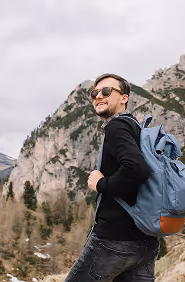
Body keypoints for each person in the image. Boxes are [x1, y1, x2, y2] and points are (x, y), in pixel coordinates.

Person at [64, 73, 160, 282]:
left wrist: (100, 183)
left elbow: (137, 170)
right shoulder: (136, 127)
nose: (99, 96)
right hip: (145, 241)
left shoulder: (117, 126)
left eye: (106, 91)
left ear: (124, 97)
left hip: (115, 239)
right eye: (94, 93)